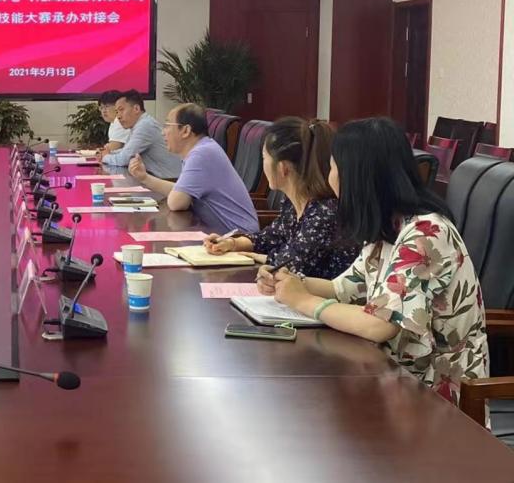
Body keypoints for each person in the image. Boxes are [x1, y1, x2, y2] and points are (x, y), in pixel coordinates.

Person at [259, 117, 488, 404]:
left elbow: (380, 325)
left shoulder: (426, 234)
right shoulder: (389, 225)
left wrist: (303, 301)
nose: (330, 178)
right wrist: (291, 283)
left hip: (436, 397)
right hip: (391, 378)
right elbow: (343, 288)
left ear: (357, 177)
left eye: (333, 168)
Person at [203, 117, 359, 279]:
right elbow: (271, 237)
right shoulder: (292, 202)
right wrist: (232, 243)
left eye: (264, 157)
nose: (263, 163)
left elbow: (288, 266)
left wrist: (262, 257)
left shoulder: (324, 212)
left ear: (282, 167)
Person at [129, 103, 257, 234]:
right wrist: (144, 177)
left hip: (239, 238)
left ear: (186, 131)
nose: (163, 132)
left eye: (167, 125)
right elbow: (181, 191)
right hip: (222, 235)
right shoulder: (201, 149)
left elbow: (176, 202)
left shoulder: (202, 154)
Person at [100, 90, 182, 179]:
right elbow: (126, 151)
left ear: (136, 109)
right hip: (160, 178)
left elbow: (124, 159)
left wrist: (105, 157)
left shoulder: (145, 126)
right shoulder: (138, 125)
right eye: (117, 112)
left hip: (170, 181)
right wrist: (109, 153)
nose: (118, 116)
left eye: (121, 110)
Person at [98, 90, 130, 155]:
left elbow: (113, 148)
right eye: (101, 107)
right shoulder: (114, 122)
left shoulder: (120, 122)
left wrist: (101, 150)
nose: (104, 111)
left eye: (107, 106)